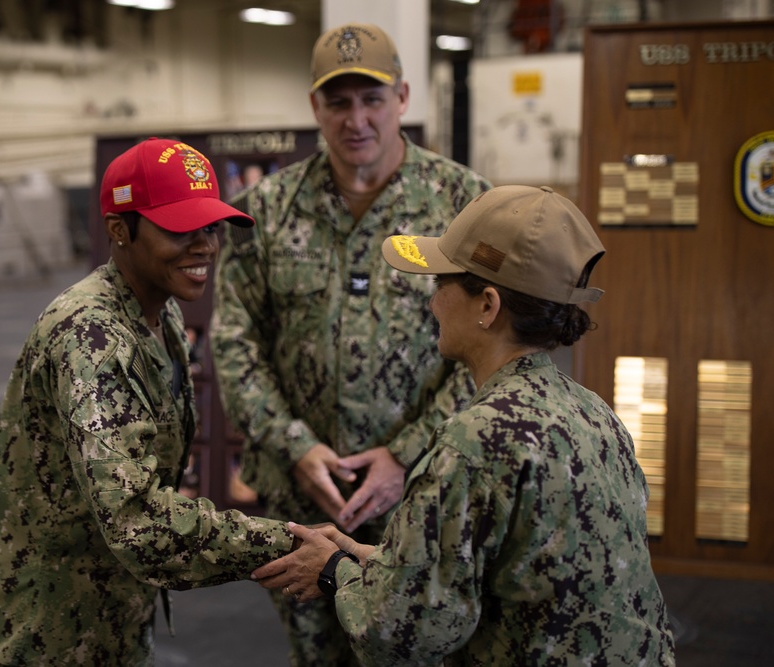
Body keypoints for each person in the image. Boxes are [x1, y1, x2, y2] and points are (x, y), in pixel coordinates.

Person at [251, 185, 677, 666]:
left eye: (442, 284)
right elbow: (517, 572)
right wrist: (373, 559)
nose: (431, 303)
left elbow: (400, 633)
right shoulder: (595, 414)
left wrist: (332, 571)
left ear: (487, 306)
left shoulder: (476, 442)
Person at [210, 22, 492, 665]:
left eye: (372, 98)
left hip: (424, 495)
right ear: (315, 107)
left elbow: (492, 348)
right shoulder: (269, 211)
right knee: (317, 656)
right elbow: (234, 342)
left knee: (418, 652)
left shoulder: (464, 206)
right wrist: (295, 445)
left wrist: (403, 455)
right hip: (303, 501)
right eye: (338, 101)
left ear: (403, 98)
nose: (356, 118)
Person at [0, 138, 296, 666]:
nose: (204, 245)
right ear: (119, 230)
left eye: (210, 226)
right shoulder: (91, 338)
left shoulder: (160, 311)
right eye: (180, 229)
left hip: (108, 610)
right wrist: (292, 547)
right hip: (46, 629)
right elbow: (138, 521)